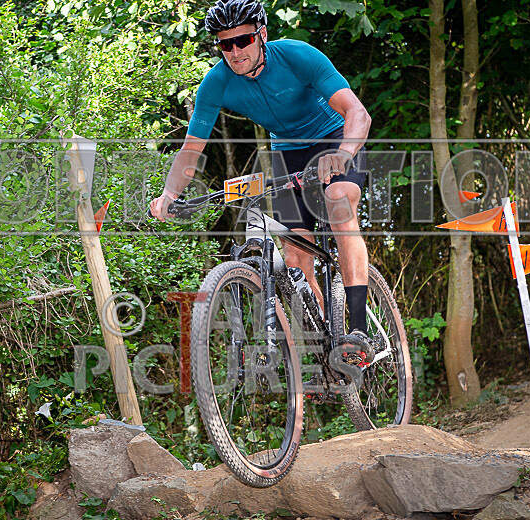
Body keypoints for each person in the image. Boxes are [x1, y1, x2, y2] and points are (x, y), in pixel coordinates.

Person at [150, 0, 373, 346]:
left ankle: (358, 330)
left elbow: (357, 113)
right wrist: (169, 194)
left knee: (338, 198)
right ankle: (329, 342)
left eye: (243, 40)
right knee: (295, 258)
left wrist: (343, 154)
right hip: (288, 153)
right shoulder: (216, 83)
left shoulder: (297, 56)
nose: (235, 52)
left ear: (262, 35)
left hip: (333, 137)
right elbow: (191, 150)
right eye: (225, 45)